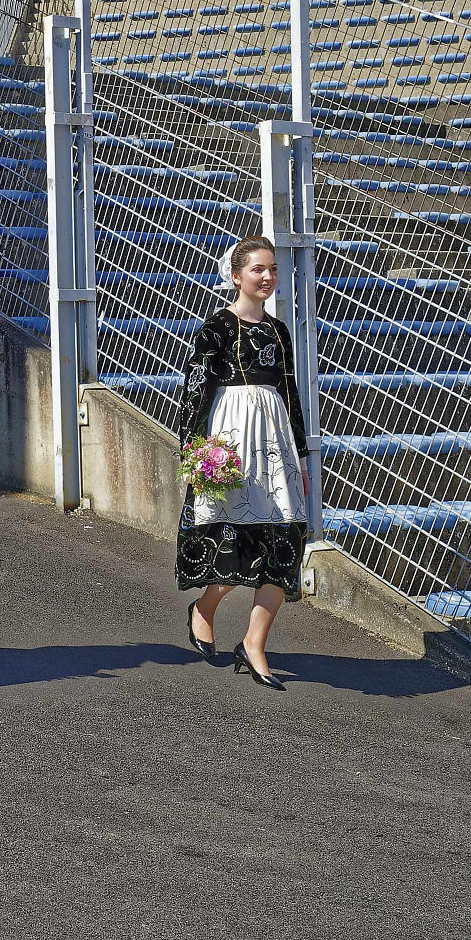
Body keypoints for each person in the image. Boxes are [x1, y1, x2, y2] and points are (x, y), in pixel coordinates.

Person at [176, 234, 309, 692]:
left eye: (273, 269)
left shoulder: (278, 330)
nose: (268, 276)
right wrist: (193, 451)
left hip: (275, 441)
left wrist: (303, 456)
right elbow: (196, 389)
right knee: (236, 537)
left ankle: (254, 644)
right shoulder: (214, 328)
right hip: (231, 438)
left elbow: (291, 392)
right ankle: (205, 609)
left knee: (285, 539)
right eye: (258, 269)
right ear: (236, 276)